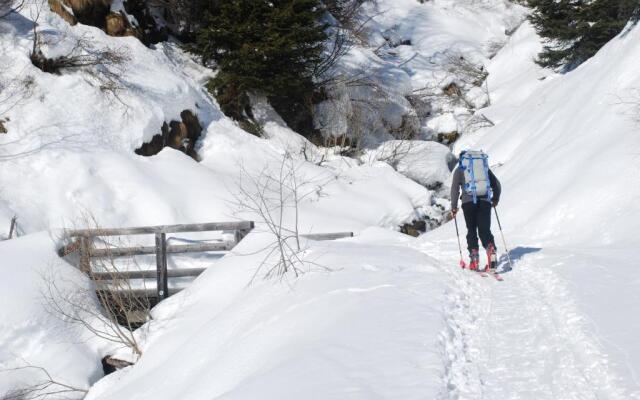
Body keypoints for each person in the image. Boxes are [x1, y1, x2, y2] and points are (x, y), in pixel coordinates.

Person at [450, 151, 501, 271]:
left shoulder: (460, 170)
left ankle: (474, 258)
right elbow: (496, 184)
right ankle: (491, 250)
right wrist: (495, 199)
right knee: (485, 230)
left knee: (471, 230)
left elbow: (454, 189)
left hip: (468, 203)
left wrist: (453, 206)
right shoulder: (483, 168)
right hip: (485, 202)